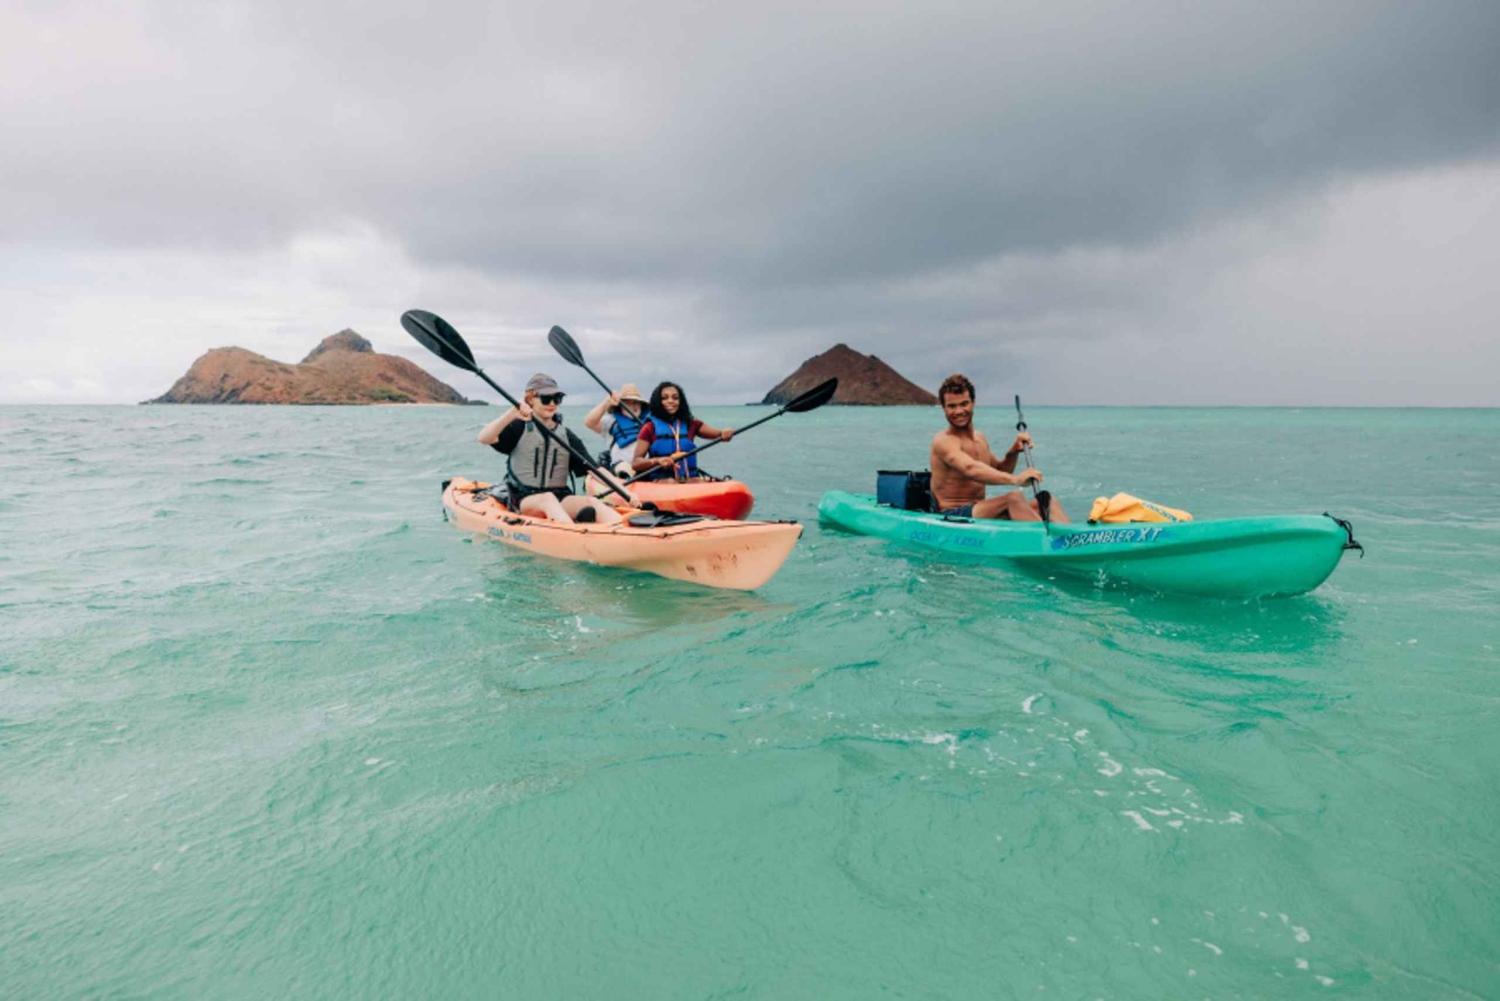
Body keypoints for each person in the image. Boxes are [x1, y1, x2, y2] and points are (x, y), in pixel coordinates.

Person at [476, 373, 626, 524]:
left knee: (591, 502)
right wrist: (511, 413)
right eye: (546, 398)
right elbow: (484, 438)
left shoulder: (565, 435)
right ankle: (571, 533)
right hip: (524, 497)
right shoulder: (518, 427)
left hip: (559, 497)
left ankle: (622, 529)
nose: (552, 403)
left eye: (557, 398)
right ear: (530, 399)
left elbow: (595, 470)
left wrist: (626, 492)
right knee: (547, 499)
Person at [929, 373, 1070, 522]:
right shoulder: (944, 441)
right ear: (943, 408)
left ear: (973, 402)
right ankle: (1042, 536)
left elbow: (1001, 470)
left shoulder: (979, 439)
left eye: (964, 404)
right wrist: (1016, 480)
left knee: (1047, 501)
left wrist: (1013, 452)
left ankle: (1072, 536)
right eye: (952, 406)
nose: (958, 411)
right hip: (951, 514)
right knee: (1013, 498)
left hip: (980, 510)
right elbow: (970, 468)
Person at [630, 381, 734, 481]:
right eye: (665, 398)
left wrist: (724, 433)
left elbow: (719, 435)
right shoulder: (649, 427)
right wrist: (657, 461)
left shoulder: (691, 424)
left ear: (681, 402)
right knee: (670, 482)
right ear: (658, 401)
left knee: (695, 481)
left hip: (690, 479)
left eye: (675, 398)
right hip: (662, 481)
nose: (670, 401)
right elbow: (635, 463)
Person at [583, 382, 649, 477]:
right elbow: (589, 422)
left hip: (647, 466)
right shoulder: (611, 421)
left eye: (635, 402)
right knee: (624, 467)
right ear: (620, 406)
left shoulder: (650, 422)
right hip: (622, 466)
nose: (632, 406)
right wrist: (606, 403)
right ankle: (626, 478)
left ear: (641, 405)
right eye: (627, 403)